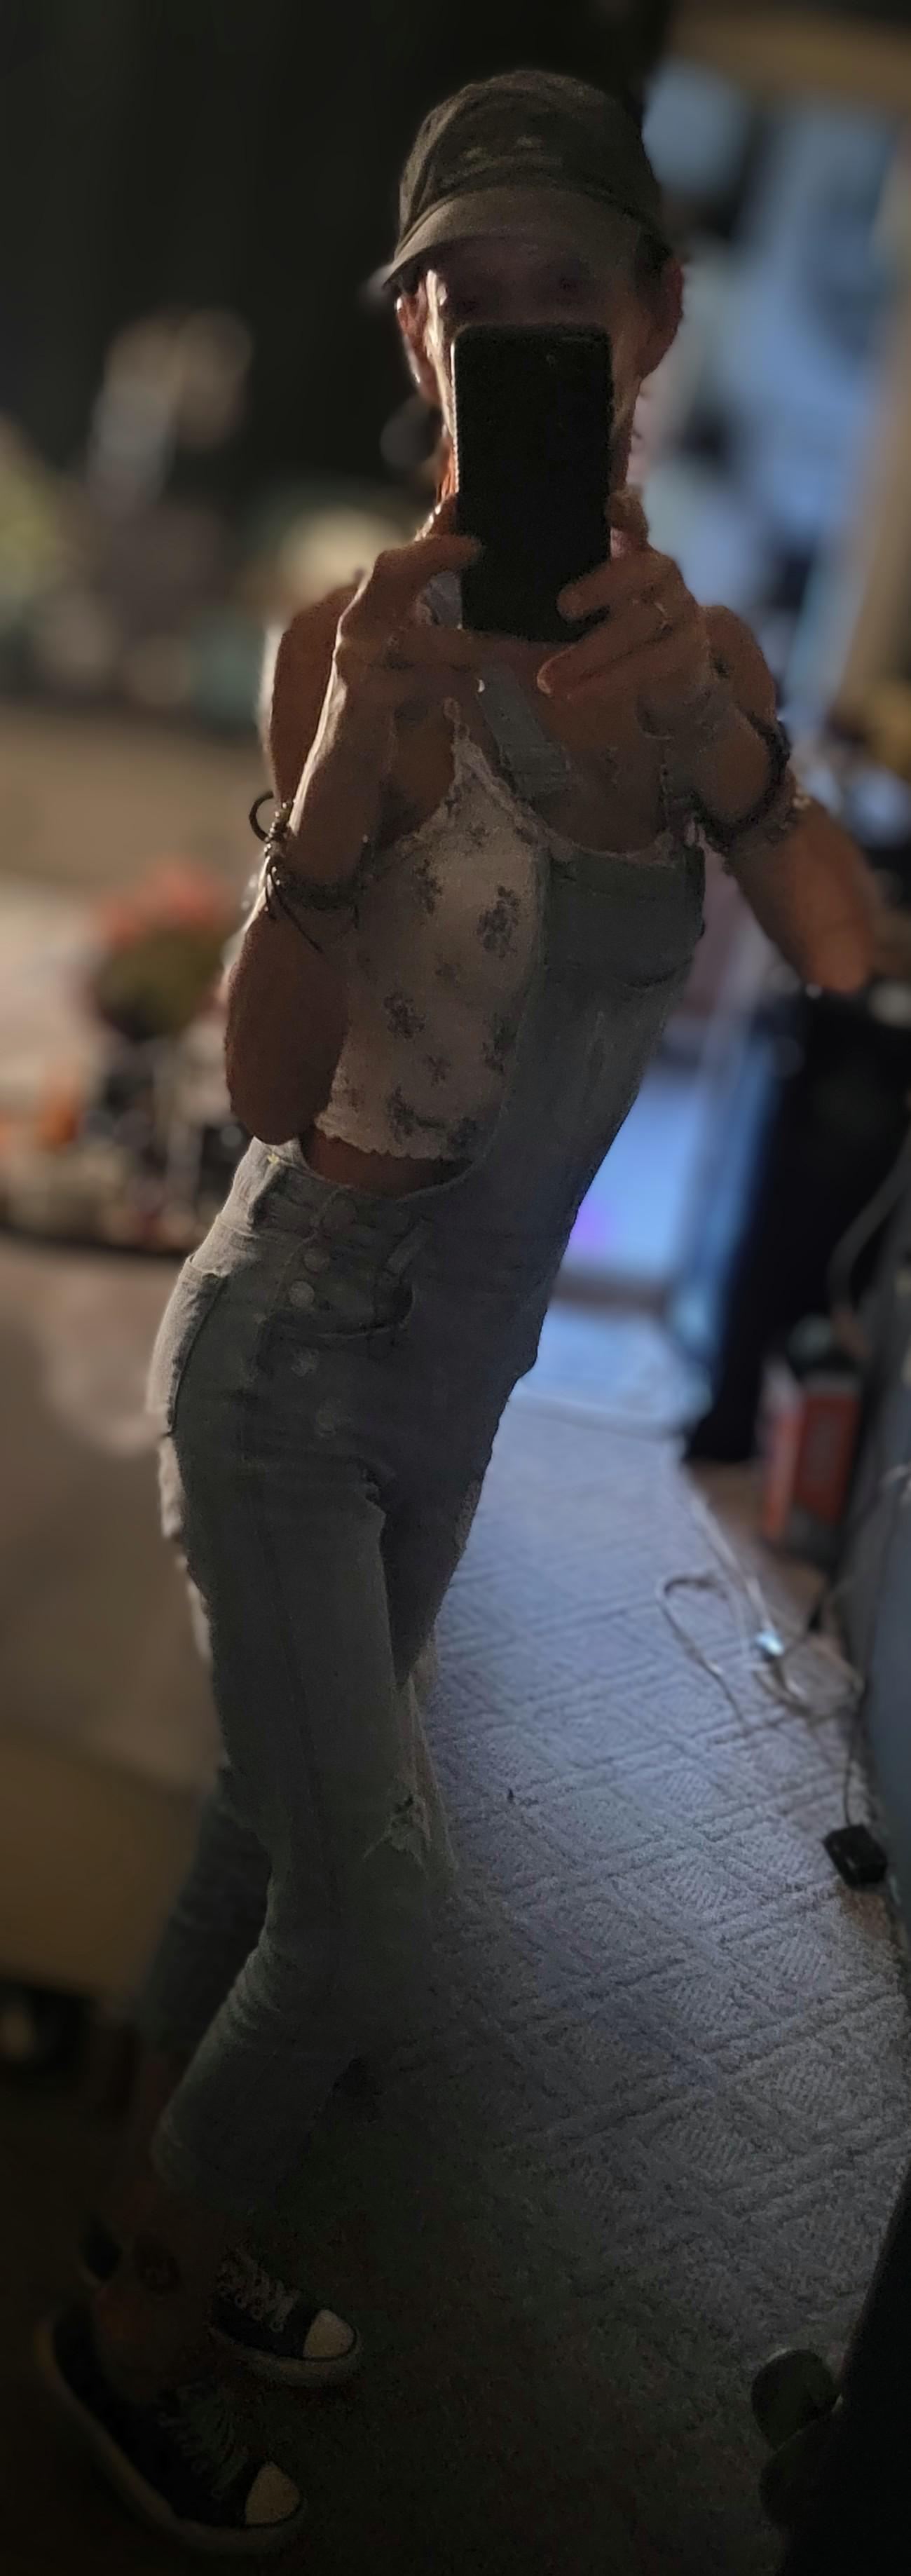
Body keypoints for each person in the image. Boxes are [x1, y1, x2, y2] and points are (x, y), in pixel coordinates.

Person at [35, 69, 877, 2554]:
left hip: (464, 1373)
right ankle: (127, 2338)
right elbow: (263, 1093)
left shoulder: (692, 658)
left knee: (261, 1841)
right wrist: (341, 784)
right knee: (375, 1908)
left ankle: (146, 2217)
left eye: (560, 300)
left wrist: (727, 737)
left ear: (653, 321)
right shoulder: (346, 639)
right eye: (457, 301)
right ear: (412, 340)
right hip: (297, 1344)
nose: (505, 338)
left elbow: (843, 952)